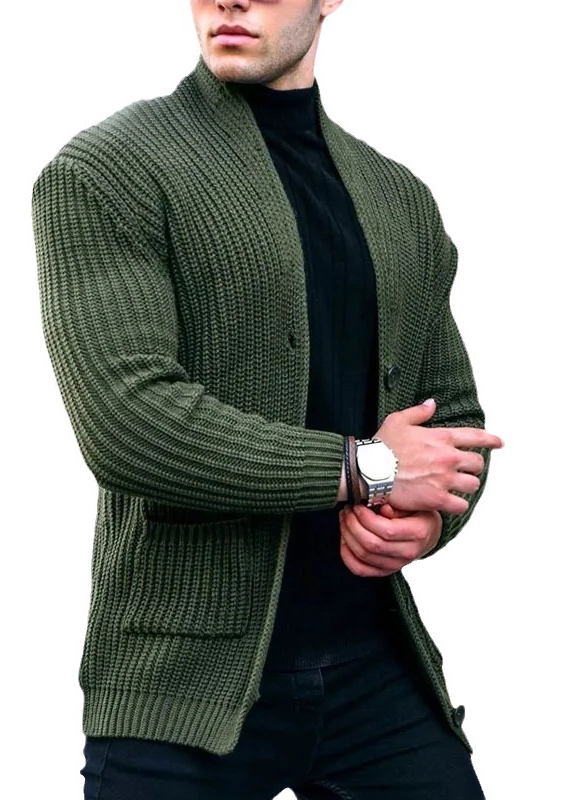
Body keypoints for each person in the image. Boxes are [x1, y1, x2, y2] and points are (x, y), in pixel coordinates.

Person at [32, 1, 503, 797]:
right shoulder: (109, 170)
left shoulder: (399, 198)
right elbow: (128, 422)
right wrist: (371, 468)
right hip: (180, 685)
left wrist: (425, 525)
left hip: (375, 669)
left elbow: (454, 423)